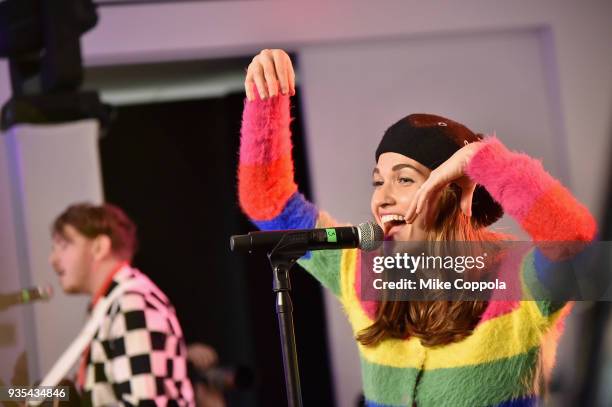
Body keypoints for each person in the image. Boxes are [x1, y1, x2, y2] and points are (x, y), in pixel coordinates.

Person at [237, 49, 597, 406]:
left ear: (455, 196)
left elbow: (574, 240)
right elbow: (268, 204)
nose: (382, 199)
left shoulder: (518, 280)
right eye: (378, 182)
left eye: (405, 180)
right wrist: (266, 98)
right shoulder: (364, 271)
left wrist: (485, 161)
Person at [48, 203, 194, 406]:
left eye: (64, 245)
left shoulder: (132, 303)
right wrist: (10, 394)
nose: (53, 259)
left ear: (99, 247)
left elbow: (142, 403)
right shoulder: (111, 305)